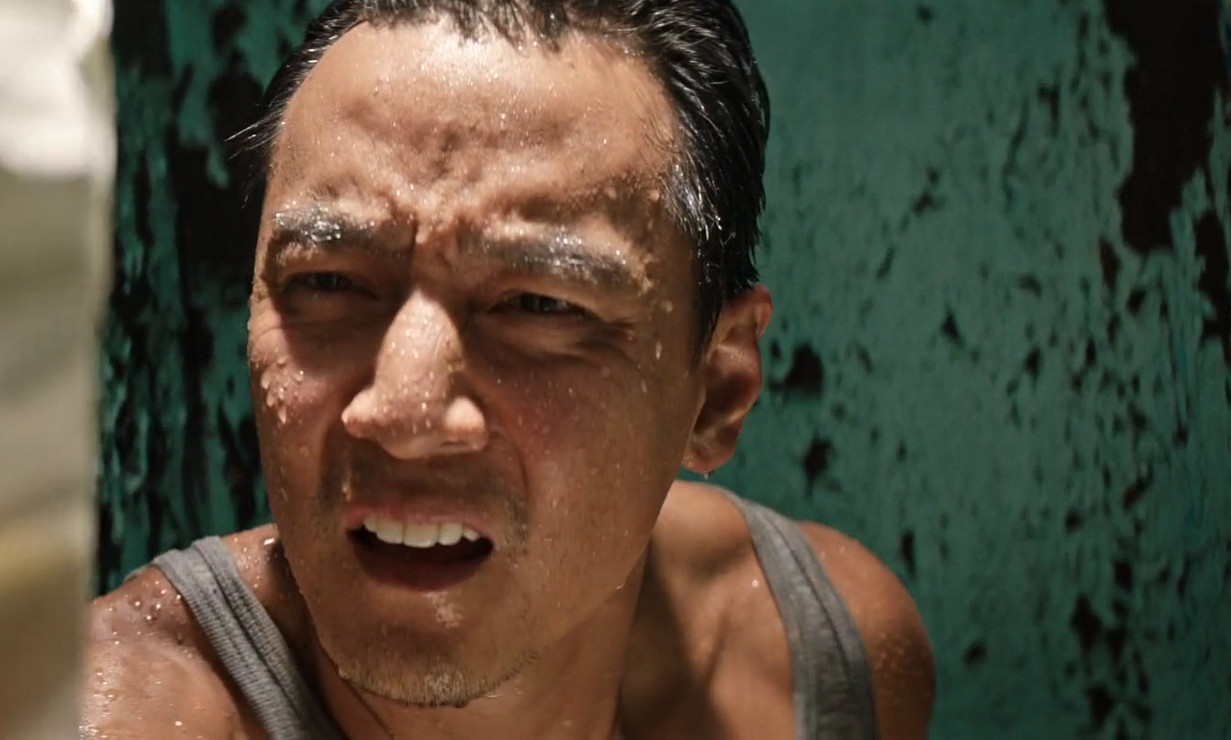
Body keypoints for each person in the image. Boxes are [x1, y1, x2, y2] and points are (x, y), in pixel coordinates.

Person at [86, 1, 934, 738]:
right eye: (329, 283)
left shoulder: (821, 660)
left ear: (717, 389)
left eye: (537, 304)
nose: (403, 414)